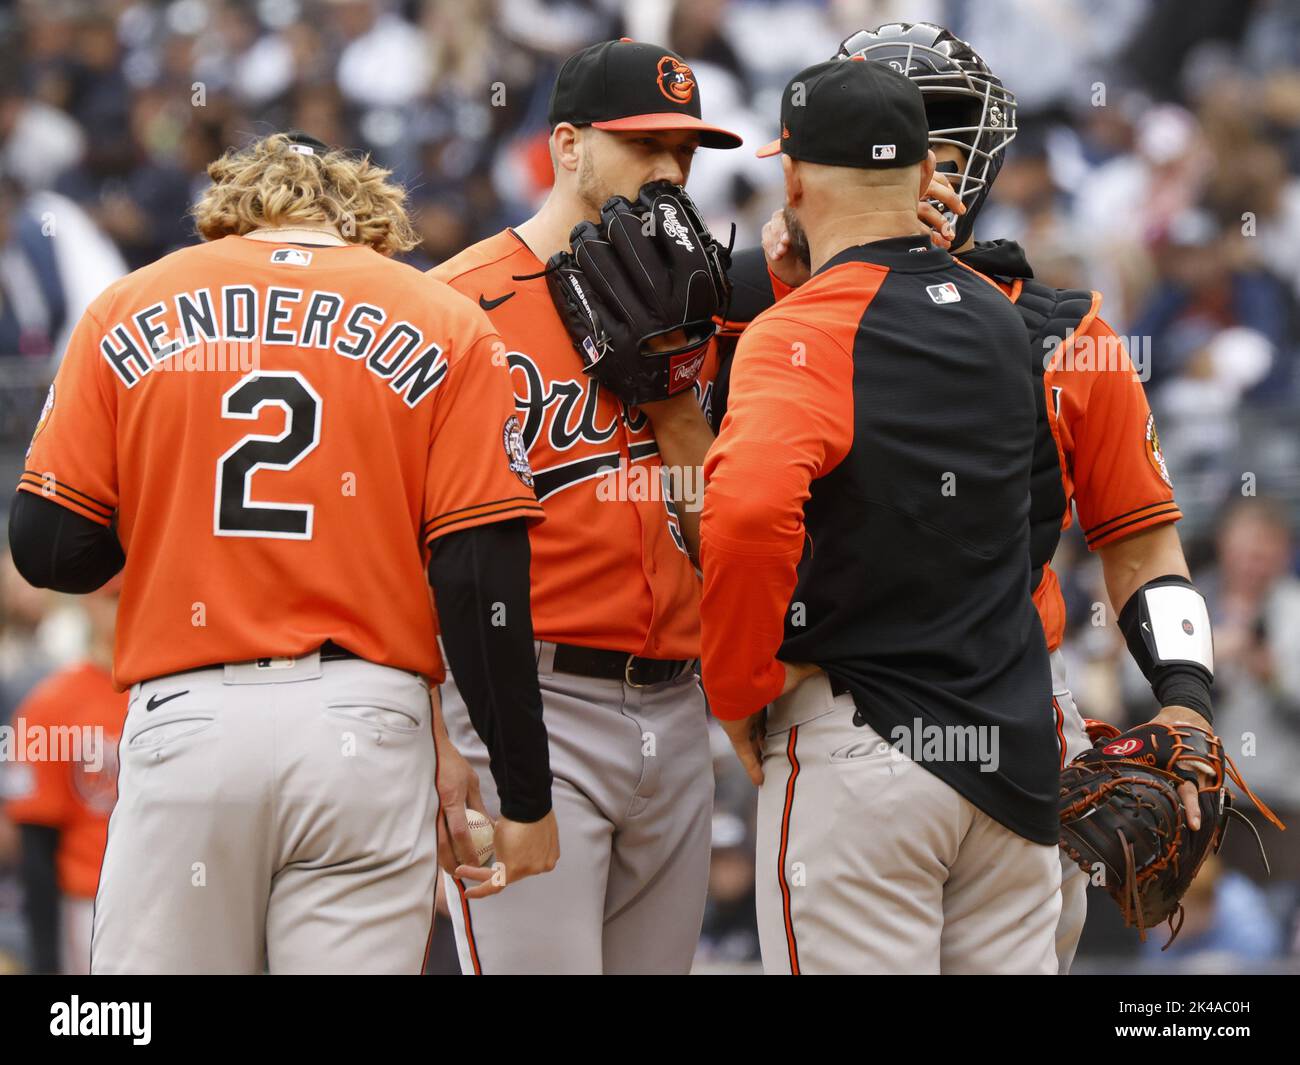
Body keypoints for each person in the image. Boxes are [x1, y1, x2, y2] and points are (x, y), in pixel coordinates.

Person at [7, 131, 557, 974]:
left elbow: (49, 548)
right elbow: (480, 578)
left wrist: (173, 499)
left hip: (188, 717)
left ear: (231, 204)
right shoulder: (442, 316)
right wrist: (524, 788)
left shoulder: (128, 303)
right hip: (368, 724)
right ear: (364, 207)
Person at [755, 22, 1219, 973]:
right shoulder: (763, 303)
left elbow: (1141, 545)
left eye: (941, 139)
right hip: (879, 697)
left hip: (964, 703)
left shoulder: (1066, 332)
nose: (923, 163)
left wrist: (1186, 696)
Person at [700, 57, 1061, 975]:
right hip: (1010, 757)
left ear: (792, 179)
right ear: (926, 172)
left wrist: (738, 686)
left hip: (863, 751)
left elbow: (746, 518)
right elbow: (1026, 518)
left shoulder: (798, 331)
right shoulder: (1001, 319)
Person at [429, 38, 741, 975]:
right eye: (644, 144)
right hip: (527, 703)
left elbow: (725, 533)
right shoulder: (456, 306)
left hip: (678, 707)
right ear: (566, 145)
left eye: (684, 150)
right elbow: (400, 547)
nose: (670, 169)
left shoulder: (710, 307)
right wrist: (431, 733)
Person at [5, 579, 125, 974]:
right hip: (90, 904)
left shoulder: (182, 695)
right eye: (114, 598)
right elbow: (36, 845)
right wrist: (45, 960)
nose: (126, 609)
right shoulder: (51, 704)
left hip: (175, 895)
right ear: (89, 602)